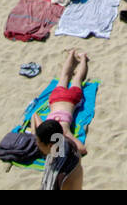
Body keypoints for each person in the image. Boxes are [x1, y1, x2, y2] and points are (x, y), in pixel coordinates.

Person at [32, 50, 88, 190]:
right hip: (64, 101)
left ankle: (72, 54)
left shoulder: (64, 174)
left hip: (61, 99)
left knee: (67, 77)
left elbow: (83, 149)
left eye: (38, 142)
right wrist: (37, 133)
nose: (36, 144)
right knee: (76, 79)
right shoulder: (65, 140)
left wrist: (35, 132)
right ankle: (82, 59)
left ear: (50, 145)